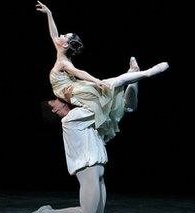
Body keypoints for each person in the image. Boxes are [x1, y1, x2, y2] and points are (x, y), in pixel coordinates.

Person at [23, 57, 141, 213]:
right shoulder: (71, 119)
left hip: (98, 169)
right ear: (54, 109)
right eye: (54, 100)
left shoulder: (77, 116)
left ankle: (133, 77)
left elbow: (101, 109)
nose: (58, 99)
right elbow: (96, 105)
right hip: (88, 169)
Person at [35, 0, 169, 143]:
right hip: (73, 90)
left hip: (74, 88)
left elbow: (79, 72)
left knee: (112, 87)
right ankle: (140, 73)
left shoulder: (62, 61)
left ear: (66, 44)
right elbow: (54, 35)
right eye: (64, 35)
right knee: (116, 92)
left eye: (64, 36)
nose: (59, 36)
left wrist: (95, 81)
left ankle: (145, 73)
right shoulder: (61, 57)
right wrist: (49, 13)